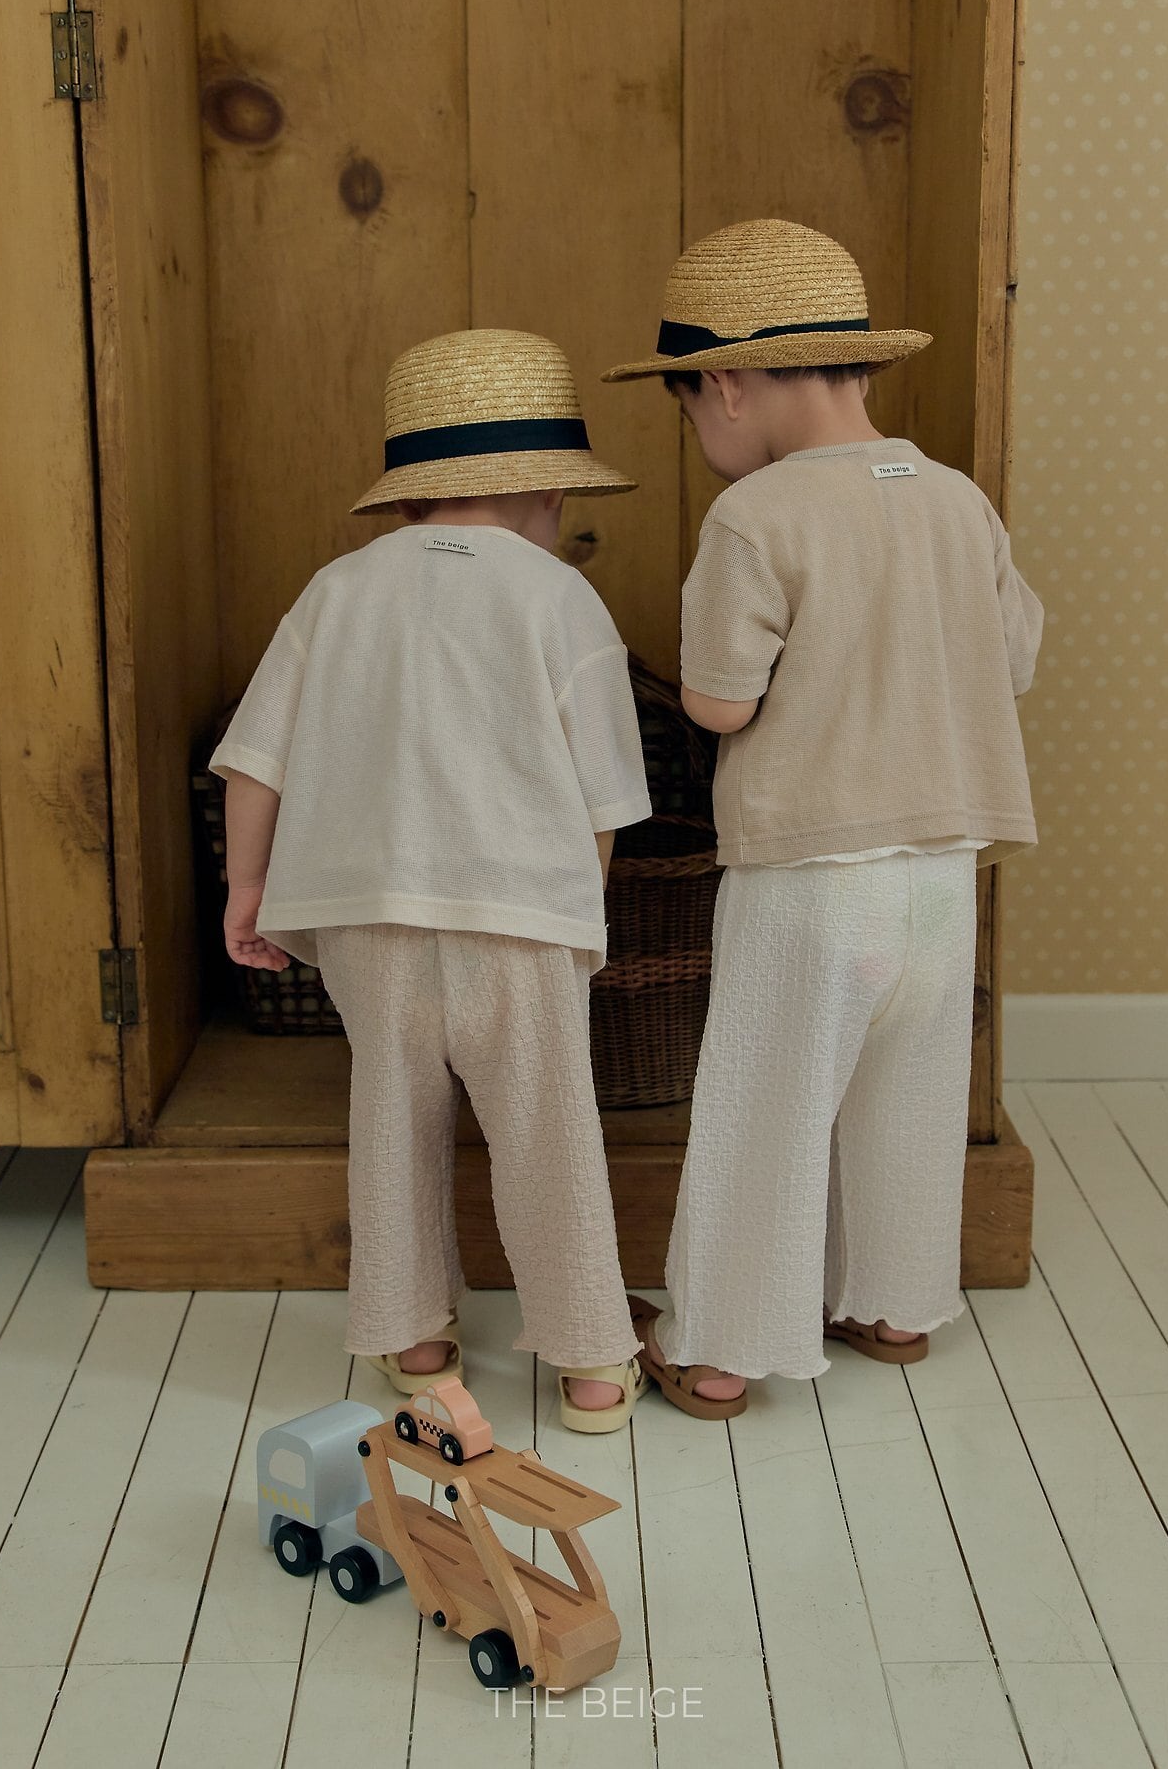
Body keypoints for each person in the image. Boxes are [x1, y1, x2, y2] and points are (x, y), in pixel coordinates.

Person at [604, 219, 1043, 1417]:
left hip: (809, 874)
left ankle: (716, 1349)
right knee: (907, 1095)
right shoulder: (955, 498)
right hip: (939, 871)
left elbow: (719, 702)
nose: (698, 434)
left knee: (766, 1104)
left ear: (726, 384)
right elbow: (1011, 657)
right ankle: (895, 1306)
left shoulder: (757, 517)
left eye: (685, 406)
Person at [212, 328, 651, 1432]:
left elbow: (254, 757)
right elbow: (605, 797)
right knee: (548, 1131)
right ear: (550, 488)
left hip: (369, 917)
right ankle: (594, 1363)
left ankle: (410, 1335)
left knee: (392, 1121)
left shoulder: (335, 591)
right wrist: (580, 913)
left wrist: (246, 888)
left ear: (408, 493)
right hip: (520, 918)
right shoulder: (559, 598)